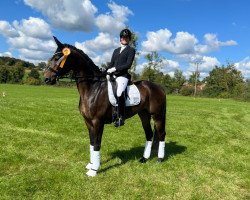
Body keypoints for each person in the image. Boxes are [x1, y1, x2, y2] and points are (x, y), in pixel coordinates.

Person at [107, 28, 136, 127]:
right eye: (123, 37)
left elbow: (128, 65)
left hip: (123, 76)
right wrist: (106, 71)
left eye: (127, 37)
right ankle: (111, 111)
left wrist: (114, 69)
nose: (124, 39)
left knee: (119, 92)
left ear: (129, 39)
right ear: (120, 39)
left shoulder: (131, 50)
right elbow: (111, 63)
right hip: (113, 74)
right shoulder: (116, 51)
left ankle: (121, 117)